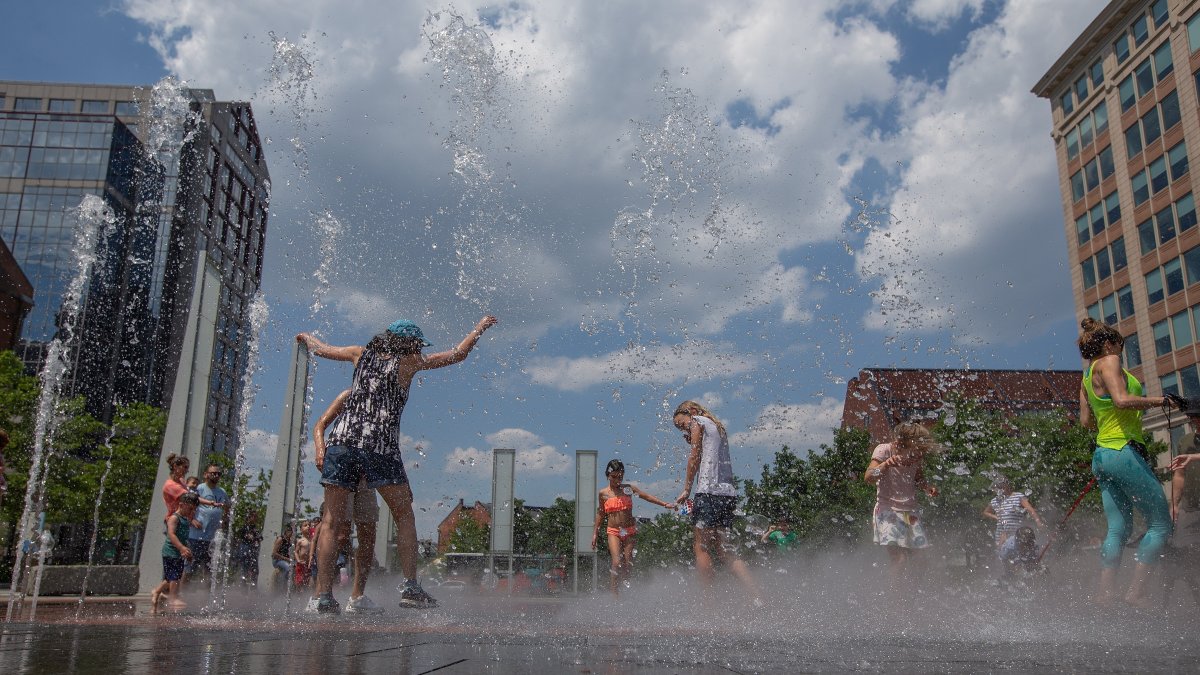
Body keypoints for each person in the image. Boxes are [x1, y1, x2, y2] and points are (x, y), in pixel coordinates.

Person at [297, 315, 497, 613]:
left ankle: (323, 597)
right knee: (404, 514)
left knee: (331, 522)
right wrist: (480, 327)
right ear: (408, 344)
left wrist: (305, 338)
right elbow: (458, 354)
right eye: (417, 344)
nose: (419, 349)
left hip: (342, 443)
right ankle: (411, 586)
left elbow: (322, 348)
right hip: (380, 447)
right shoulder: (410, 364)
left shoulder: (358, 353)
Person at [1077, 317, 1176, 608]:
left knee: (1119, 529)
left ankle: (1105, 594)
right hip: (1123, 451)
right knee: (1160, 524)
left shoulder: (1085, 377)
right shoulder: (1110, 361)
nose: (1121, 351)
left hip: (1102, 455)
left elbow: (1085, 422)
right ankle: (1137, 593)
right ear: (1110, 344)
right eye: (1121, 345)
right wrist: (1161, 401)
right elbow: (1120, 400)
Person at [671, 400, 760, 604]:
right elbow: (709, 456)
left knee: (701, 547)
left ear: (691, 412)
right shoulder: (717, 426)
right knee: (724, 550)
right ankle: (757, 595)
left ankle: (708, 604)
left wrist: (686, 488)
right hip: (727, 493)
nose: (683, 428)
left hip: (708, 492)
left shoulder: (697, 421)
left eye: (682, 424)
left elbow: (694, 457)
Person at [308, 389, 385, 613]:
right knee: (337, 531)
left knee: (368, 533)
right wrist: (320, 451)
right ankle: (320, 596)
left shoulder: (383, 402)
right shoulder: (348, 395)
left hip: (366, 476)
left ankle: (357, 597)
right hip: (342, 469)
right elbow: (319, 425)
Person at [863, 421, 939, 582]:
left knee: (922, 559)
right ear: (900, 443)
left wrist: (927, 488)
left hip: (910, 512)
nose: (915, 456)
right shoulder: (884, 450)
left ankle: (909, 595)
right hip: (887, 510)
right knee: (900, 559)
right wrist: (885, 465)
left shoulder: (916, 456)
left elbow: (918, 478)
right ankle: (896, 605)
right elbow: (868, 477)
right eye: (913, 451)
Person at [590, 459, 674, 595]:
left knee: (627, 565)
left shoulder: (628, 489)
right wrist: (595, 532)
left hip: (629, 531)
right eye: (614, 477)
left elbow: (646, 496)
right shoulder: (603, 494)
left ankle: (625, 592)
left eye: (620, 477)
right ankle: (614, 596)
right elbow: (601, 512)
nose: (618, 480)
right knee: (616, 562)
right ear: (608, 476)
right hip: (613, 531)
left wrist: (664, 504)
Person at [1164, 401, 1200, 606]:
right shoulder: (1186, 441)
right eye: (1192, 417)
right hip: (1192, 509)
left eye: (1198, 416)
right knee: (1185, 555)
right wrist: (1175, 505)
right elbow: (1179, 475)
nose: (1195, 421)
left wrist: (1194, 457)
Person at [151, 491, 198, 613]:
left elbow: (184, 537)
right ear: (181, 504)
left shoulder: (186, 520)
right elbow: (171, 534)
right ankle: (172, 598)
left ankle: (156, 592)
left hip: (178, 552)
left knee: (172, 576)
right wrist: (181, 548)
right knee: (174, 577)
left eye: (194, 509)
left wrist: (187, 550)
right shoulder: (174, 518)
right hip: (170, 551)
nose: (192, 511)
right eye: (191, 508)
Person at [183, 464, 228, 584]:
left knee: (209, 569)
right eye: (213, 473)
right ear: (205, 474)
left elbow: (227, 508)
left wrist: (223, 522)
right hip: (196, 536)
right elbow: (187, 505)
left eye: (218, 474)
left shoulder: (222, 492)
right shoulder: (200, 488)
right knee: (189, 568)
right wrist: (191, 519)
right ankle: (180, 594)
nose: (216, 475)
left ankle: (207, 597)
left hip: (212, 539)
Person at [982, 477, 1045, 555]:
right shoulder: (995, 500)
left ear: (1007, 484)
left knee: (1019, 555)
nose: (1001, 488)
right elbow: (985, 512)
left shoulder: (1018, 496)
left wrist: (1038, 521)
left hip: (1018, 534)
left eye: (1002, 485)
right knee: (1004, 557)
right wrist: (995, 517)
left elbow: (1030, 509)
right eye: (998, 486)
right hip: (1001, 534)